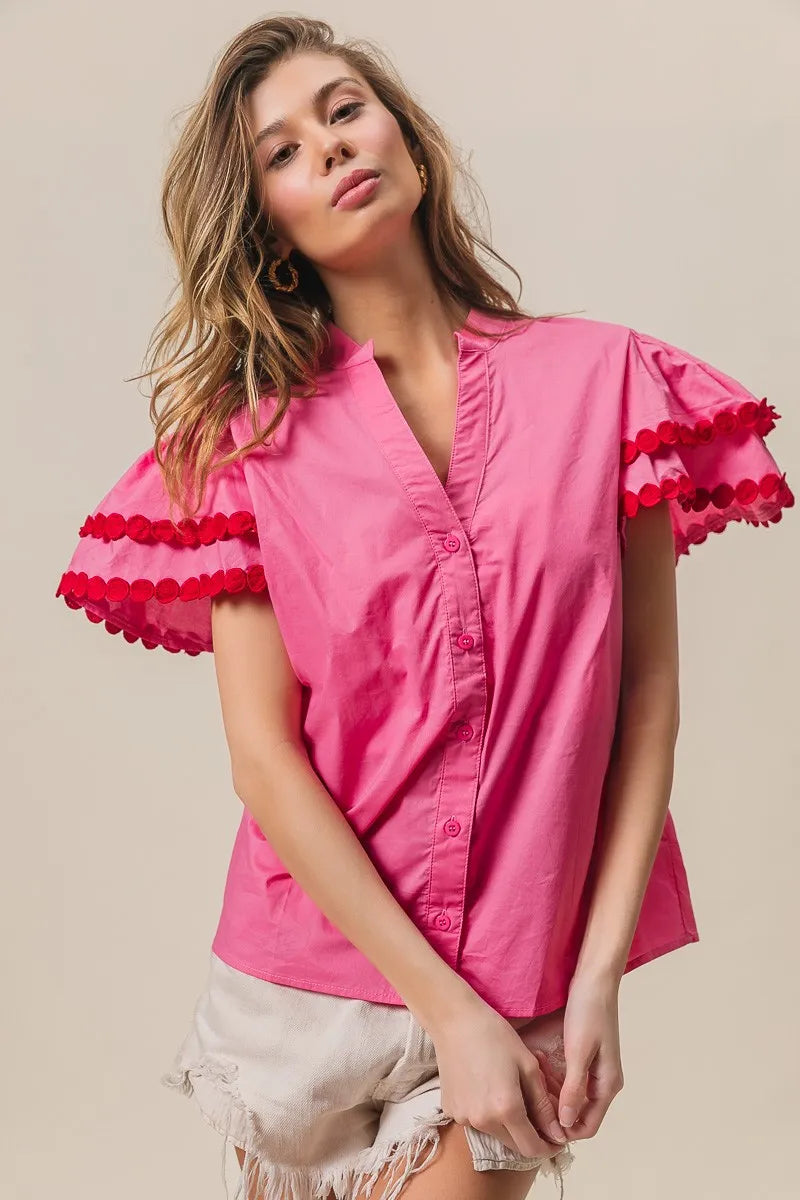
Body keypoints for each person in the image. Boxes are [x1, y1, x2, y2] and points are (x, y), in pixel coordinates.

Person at [54, 16, 794, 1200]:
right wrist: (440, 1009)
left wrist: (593, 978)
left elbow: (644, 700)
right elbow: (264, 759)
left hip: (523, 962)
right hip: (304, 984)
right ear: (267, 222)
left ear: (407, 138)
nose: (330, 147)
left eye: (344, 109)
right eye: (282, 151)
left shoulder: (608, 382)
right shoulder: (242, 449)